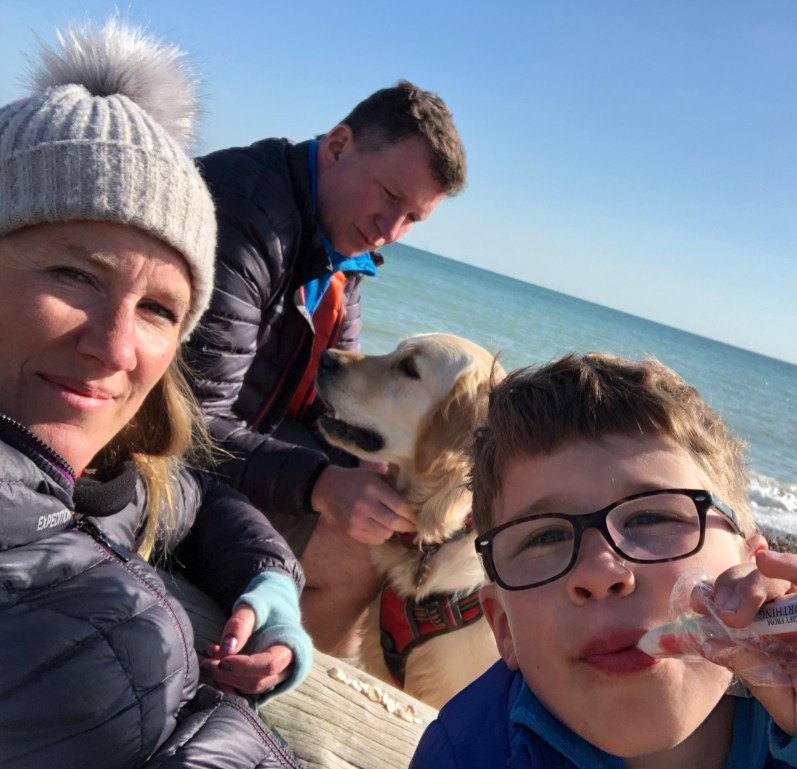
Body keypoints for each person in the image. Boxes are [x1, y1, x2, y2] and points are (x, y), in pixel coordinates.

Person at [410, 353, 797, 768]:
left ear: (760, 567)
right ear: (501, 627)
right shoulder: (469, 752)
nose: (600, 571)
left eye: (652, 516)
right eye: (542, 538)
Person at [0, 20, 313, 767]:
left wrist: (268, 582)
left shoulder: (78, 475)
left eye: (158, 310)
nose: (115, 347)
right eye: (74, 276)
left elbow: (182, 496)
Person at [185, 81, 468, 656]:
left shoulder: (340, 245)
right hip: (158, 460)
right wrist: (320, 487)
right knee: (356, 559)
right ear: (339, 145)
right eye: (389, 195)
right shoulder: (244, 215)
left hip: (236, 447)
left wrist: (390, 486)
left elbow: (329, 402)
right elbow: (185, 423)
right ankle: (286, 698)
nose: (390, 230)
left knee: (378, 520)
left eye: (412, 217)